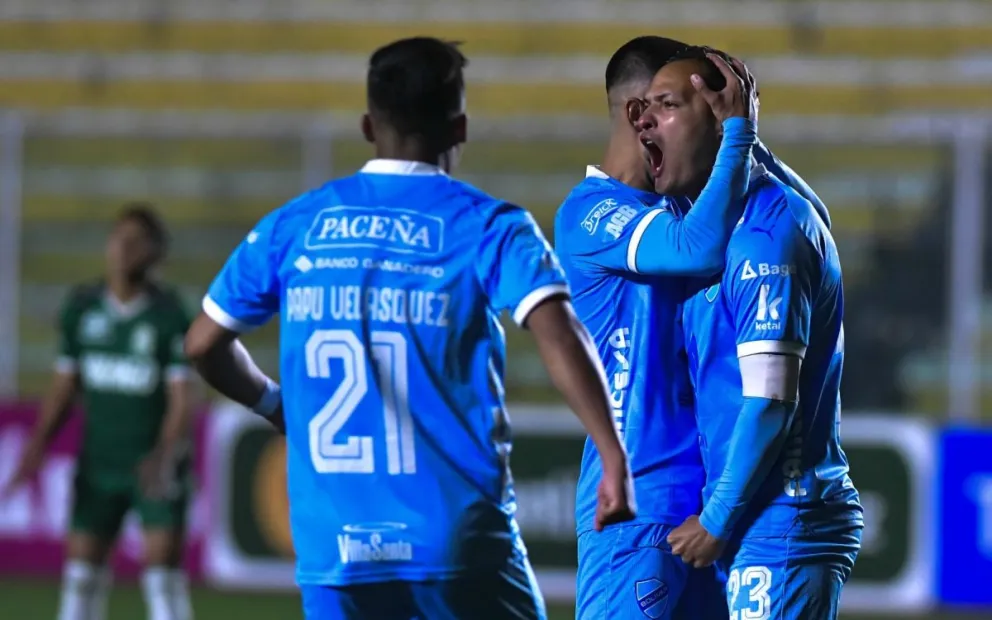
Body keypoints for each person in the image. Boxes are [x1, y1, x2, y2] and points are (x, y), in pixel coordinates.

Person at [182, 37, 636, 620]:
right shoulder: (488, 226)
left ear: (369, 125)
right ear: (460, 128)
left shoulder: (296, 225)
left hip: (335, 549)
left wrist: (274, 405)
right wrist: (611, 452)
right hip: (455, 541)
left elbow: (203, 344)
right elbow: (558, 331)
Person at [636, 47, 863, 619]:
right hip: (755, 521)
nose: (643, 119)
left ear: (717, 116)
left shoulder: (768, 234)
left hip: (782, 521)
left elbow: (769, 401)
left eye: (666, 104)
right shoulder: (714, 223)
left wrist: (714, 521)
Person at [555, 36, 756, 620]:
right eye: (673, 105)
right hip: (639, 506)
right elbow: (698, 250)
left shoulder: (677, 209)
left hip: (704, 510)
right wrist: (741, 134)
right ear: (640, 115)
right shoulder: (592, 213)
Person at [6, 204, 196, 620]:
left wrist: (164, 456)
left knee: (163, 579)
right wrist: (36, 447)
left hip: (152, 463)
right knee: (80, 578)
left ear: (155, 253)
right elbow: (62, 388)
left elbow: (182, 399)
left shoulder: (169, 315)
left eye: (135, 241)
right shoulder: (83, 309)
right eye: (118, 239)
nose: (123, 249)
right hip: (99, 464)